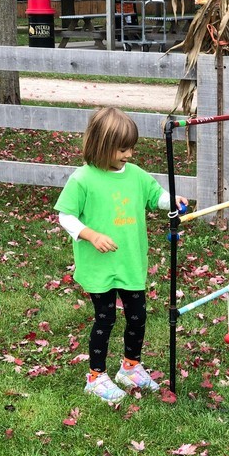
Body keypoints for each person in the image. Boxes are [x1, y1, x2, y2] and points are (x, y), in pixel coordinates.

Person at [55, 106, 188, 403]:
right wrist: (92, 235)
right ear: (101, 145)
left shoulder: (136, 175)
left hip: (130, 262)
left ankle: (130, 367)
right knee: (105, 320)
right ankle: (95, 377)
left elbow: (155, 196)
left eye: (131, 148)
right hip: (100, 266)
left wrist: (171, 199)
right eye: (123, 149)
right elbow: (65, 216)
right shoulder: (83, 179)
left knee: (137, 317)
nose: (129, 154)